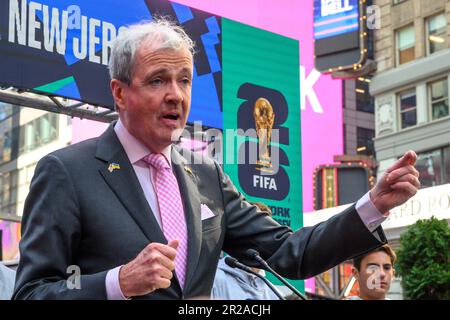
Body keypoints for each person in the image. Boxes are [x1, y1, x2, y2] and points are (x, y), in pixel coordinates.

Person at [13, 19, 420, 300]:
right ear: (119, 93)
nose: (177, 95)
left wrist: (374, 205)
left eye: (185, 80)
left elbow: (289, 251)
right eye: (158, 80)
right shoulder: (66, 172)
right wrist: (117, 283)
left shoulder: (204, 173)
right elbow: (32, 291)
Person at [212, 202, 281, 300]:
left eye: (266, 233)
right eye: (255, 231)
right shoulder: (214, 279)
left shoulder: (274, 293)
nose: (262, 239)